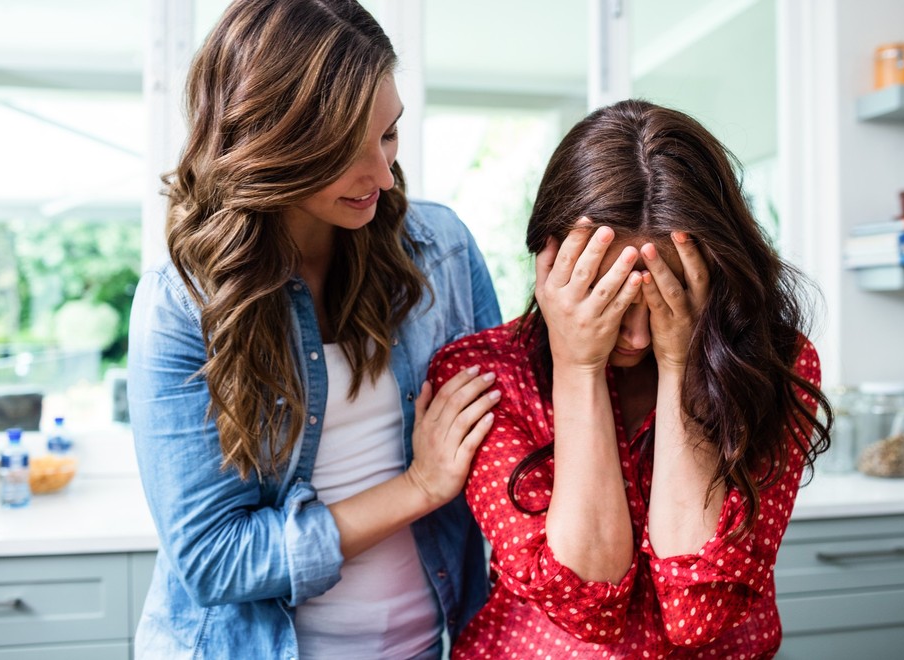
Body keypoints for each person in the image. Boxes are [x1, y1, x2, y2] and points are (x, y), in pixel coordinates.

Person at [126, 1, 502, 658]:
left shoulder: (441, 248)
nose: (384, 176)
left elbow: (509, 443)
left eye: (389, 135)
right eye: (346, 152)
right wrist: (419, 486)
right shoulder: (182, 306)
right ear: (271, 145)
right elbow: (216, 560)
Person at [428, 99, 833, 659]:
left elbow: (698, 615)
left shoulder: (775, 362)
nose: (639, 336)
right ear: (550, 264)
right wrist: (578, 366)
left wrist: (681, 366)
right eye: (608, 296)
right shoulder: (484, 376)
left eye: (668, 298)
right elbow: (585, 604)